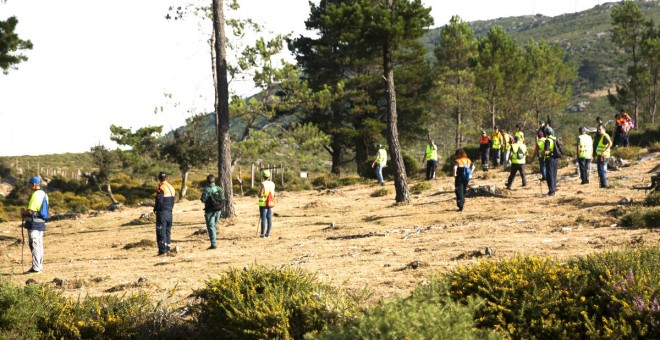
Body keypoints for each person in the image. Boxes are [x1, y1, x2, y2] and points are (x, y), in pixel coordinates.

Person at [21, 176, 48, 274]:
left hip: (34, 223)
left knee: (34, 244)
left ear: (34, 184)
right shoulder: (44, 194)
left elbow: (30, 211)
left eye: (29, 184)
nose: (29, 186)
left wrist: (24, 213)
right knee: (39, 244)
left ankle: (36, 268)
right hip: (41, 222)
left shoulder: (35, 195)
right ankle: (39, 266)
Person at [154, 171, 176, 256]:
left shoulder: (161, 187)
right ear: (167, 178)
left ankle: (162, 251)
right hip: (169, 212)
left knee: (161, 230)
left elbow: (159, 200)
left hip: (162, 212)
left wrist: (156, 209)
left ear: (159, 179)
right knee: (168, 230)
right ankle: (168, 248)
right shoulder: (172, 187)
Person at [200, 174, 224, 249]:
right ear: (214, 181)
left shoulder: (206, 189)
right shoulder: (218, 188)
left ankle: (213, 244)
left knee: (211, 227)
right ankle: (214, 241)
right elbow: (222, 198)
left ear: (207, 181)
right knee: (214, 226)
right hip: (218, 210)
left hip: (210, 211)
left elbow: (203, 200)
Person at [258, 170, 275, 237]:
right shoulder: (272, 183)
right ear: (269, 176)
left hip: (263, 203)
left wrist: (258, 194)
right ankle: (268, 233)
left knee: (264, 219)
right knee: (269, 218)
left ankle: (262, 234)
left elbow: (261, 194)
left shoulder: (263, 184)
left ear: (263, 176)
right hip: (271, 202)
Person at [595, 124, 613, 189]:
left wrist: (604, 151)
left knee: (602, 171)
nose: (599, 131)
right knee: (602, 171)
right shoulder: (603, 136)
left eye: (600, 129)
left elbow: (610, 143)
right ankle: (603, 185)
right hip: (603, 156)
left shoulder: (605, 136)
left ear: (604, 129)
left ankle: (603, 185)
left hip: (603, 156)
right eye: (598, 129)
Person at [542, 128, 558, 196]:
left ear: (546, 133)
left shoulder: (548, 140)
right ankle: (553, 189)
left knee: (549, 175)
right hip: (555, 159)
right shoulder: (555, 139)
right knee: (554, 175)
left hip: (549, 159)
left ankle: (551, 191)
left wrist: (542, 153)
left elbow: (546, 151)